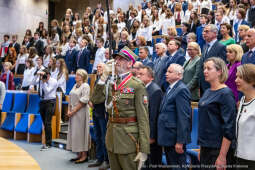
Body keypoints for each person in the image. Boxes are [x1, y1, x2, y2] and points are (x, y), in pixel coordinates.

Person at [92, 46, 149, 170]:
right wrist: (103, 77)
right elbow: (95, 100)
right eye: (116, 59)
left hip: (128, 139)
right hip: (112, 137)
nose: (116, 62)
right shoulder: (111, 83)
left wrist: (144, 149)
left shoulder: (137, 85)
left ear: (129, 64)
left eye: (121, 59)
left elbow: (143, 119)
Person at [198, 57, 236, 170]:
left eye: (209, 68)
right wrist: (201, 148)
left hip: (218, 149)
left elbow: (229, 127)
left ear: (219, 71)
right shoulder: (208, 91)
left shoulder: (226, 93)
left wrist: (222, 156)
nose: (205, 71)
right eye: (204, 68)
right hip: (206, 147)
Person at [157, 64, 191, 169]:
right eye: (167, 71)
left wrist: (180, 141)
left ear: (179, 75)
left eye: (170, 72)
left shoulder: (181, 90)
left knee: (178, 166)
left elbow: (183, 118)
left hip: (175, 138)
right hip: (168, 137)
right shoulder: (170, 88)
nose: (166, 74)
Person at [137, 66, 163, 169]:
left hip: (151, 134)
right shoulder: (143, 88)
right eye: (138, 74)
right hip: (144, 131)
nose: (138, 76)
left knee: (153, 161)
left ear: (151, 77)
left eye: (141, 74)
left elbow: (153, 115)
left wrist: (151, 136)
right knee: (145, 162)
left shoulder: (155, 90)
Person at [66, 69, 90, 164]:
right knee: (75, 133)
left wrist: (73, 111)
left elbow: (84, 100)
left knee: (81, 133)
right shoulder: (74, 85)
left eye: (78, 75)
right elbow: (70, 98)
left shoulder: (85, 86)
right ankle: (79, 154)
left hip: (81, 112)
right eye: (76, 74)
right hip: (73, 112)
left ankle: (84, 155)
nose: (76, 76)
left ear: (83, 77)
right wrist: (68, 110)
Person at [89, 63, 109, 169]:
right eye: (97, 67)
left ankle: (106, 160)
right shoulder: (97, 79)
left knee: (104, 136)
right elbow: (94, 94)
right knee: (97, 136)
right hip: (96, 110)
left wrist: (93, 100)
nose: (98, 69)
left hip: (103, 111)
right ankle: (99, 158)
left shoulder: (107, 80)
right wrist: (91, 100)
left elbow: (104, 96)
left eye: (100, 67)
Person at [31, 68, 57, 150]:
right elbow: (32, 82)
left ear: (49, 75)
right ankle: (46, 142)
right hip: (42, 102)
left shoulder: (53, 81)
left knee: (47, 123)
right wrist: (37, 74)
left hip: (50, 102)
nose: (44, 77)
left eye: (45, 75)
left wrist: (44, 82)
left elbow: (47, 91)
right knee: (44, 123)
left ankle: (48, 143)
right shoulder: (41, 79)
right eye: (43, 75)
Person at [235, 64, 255, 169]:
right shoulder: (242, 100)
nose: (236, 80)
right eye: (236, 77)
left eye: (240, 77)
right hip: (239, 157)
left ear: (252, 81)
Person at [200, 24, 227, 96]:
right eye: (203, 31)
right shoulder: (205, 46)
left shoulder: (221, 47)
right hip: (203, 84)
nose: (203, 33)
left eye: (206, 31)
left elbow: (222, 67)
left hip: (214, 86)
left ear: (215, 33)